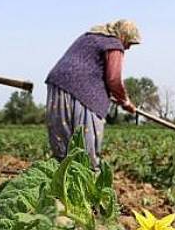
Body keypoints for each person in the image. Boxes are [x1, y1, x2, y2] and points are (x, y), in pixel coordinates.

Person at [45, 19, 140, 168]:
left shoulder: (90, 37)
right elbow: (114, 79)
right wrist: (125, 101)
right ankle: (87, 183)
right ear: (123, 36)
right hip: (85, 94)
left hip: (57, 85)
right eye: (129, 42)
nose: (128, 47)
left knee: (62, 150)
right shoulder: (114, 43)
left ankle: (60, 183)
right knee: (86, 153)